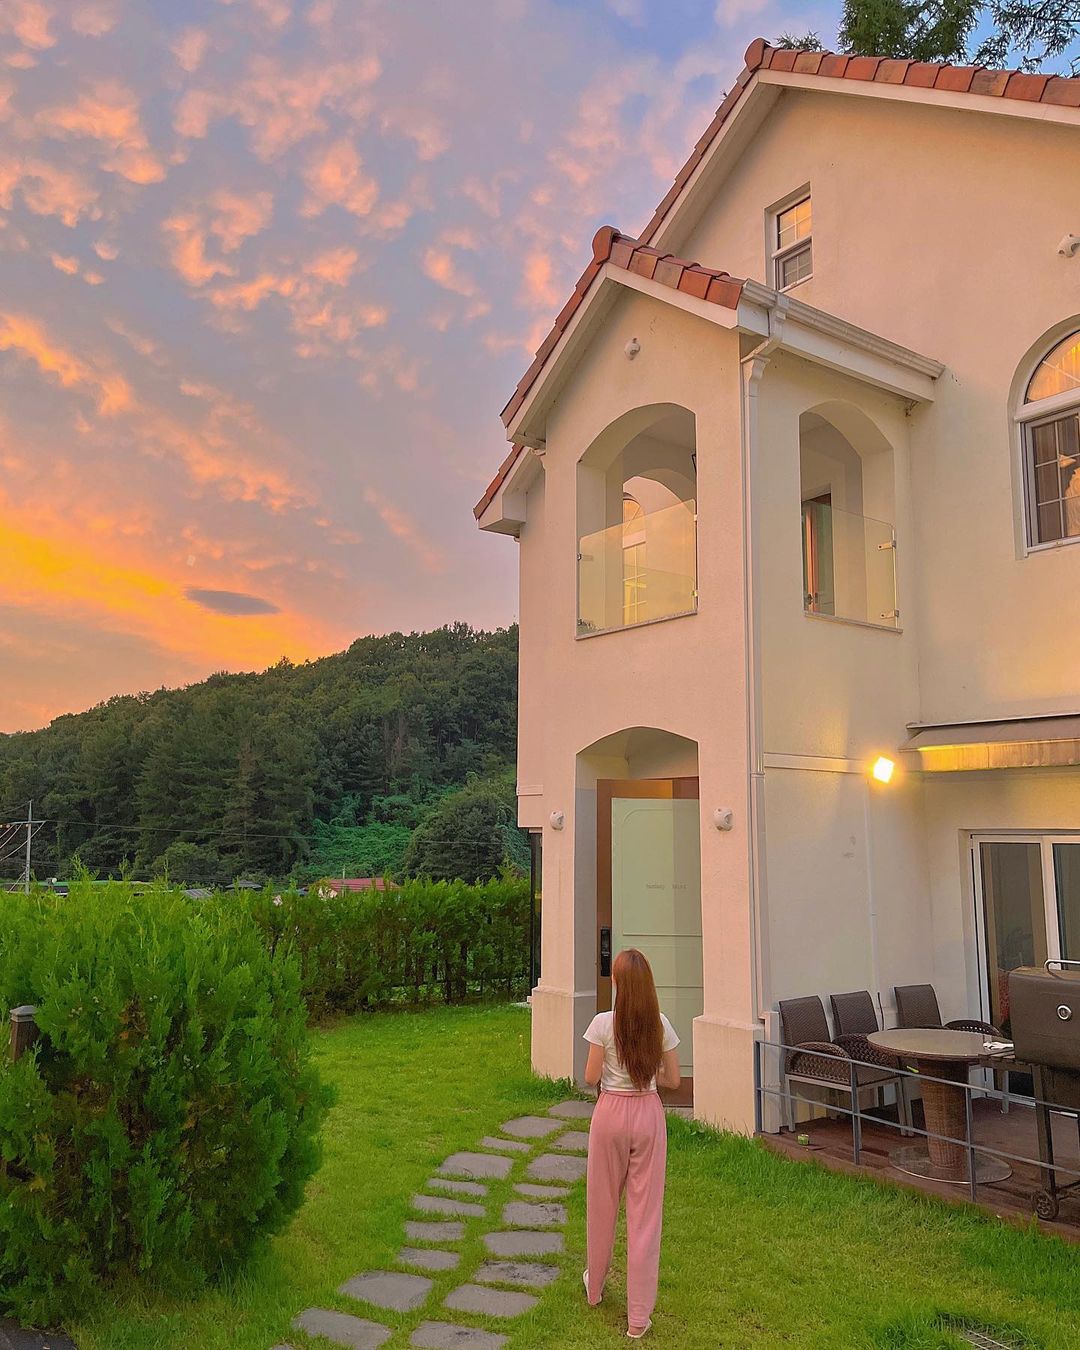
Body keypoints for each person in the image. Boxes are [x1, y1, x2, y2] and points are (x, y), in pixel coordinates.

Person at [582, 947, 680, 1340]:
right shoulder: (660, 1025)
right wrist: (649, 1071)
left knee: (601, 1203)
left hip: (610, 1114)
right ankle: (638, 1319)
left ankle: (594, 1288)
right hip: (648, 1115)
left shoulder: (602, 1024)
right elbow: (673, 1080)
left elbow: (591, 1077)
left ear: (618, 983)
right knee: (645, 1217)